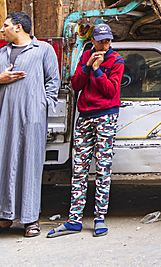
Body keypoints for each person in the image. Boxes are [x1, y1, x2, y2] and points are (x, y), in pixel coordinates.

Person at [0, 12, 60, 239]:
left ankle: (30, 219)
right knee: (0, 164)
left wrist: (41, 105)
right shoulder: (2, 53)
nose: (2, 30)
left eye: (5, 25)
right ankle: (2, 218)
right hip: (2, 121)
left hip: (32, 120)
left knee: (29, 165)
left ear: (18, 27)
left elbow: (53, 81)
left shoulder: (43, 50)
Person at [48, 22, 123, 239]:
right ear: (93, 41)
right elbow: (76, 85)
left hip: (106, 116)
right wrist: (88, 66)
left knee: (103, 169)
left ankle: (99, 218)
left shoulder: (116, 61)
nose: (105, 45)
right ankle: (74, 219)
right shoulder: (84, 56)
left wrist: (98, 70)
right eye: (101, 41)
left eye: (108, 41)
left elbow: (110, 91)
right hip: (84, 117)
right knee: (78, 169)